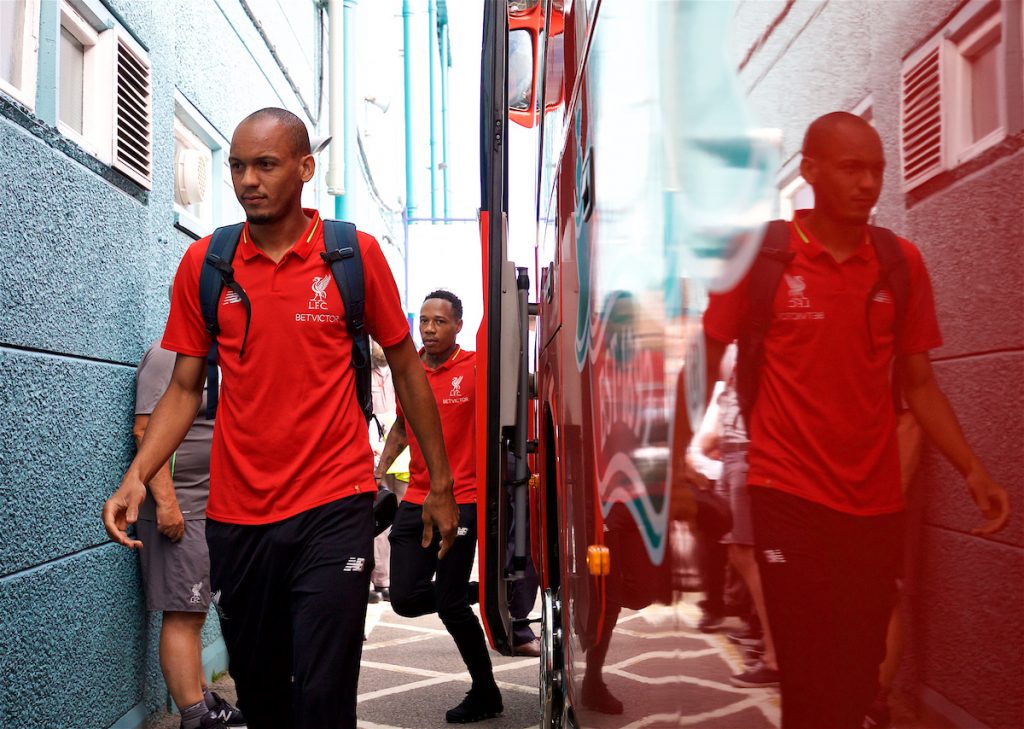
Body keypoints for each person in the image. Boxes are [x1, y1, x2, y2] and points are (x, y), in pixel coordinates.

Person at [103, 107, 459, 729]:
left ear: (304, 168)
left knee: (324, 695)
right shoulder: (207, 265)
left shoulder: (352, 255)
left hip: (333, 504)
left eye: (264, 165)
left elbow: (406, 368)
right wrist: (139, 474)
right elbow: (185, 388)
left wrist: (441, 485)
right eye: (238, 166)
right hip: (238, 518)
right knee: (264, 693)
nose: (247, 180)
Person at [702, 111, 1010, 729]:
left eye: (877, 169)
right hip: (787, 496)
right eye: (851, 168)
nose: (868, 183)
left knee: (860, 670)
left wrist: (973, 468)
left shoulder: (900, 263)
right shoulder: (762, 257)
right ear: (811, 171)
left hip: (874, 506)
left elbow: (919, 383)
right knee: (810, 672)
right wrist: (679, 465)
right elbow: (707, 352)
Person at [376, 290, 503, 724]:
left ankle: (486, 693)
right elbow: (401, 425)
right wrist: (379, 470)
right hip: (415, 499)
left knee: (449, 605)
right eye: (424, 321)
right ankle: (482, 594)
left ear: (458, 327)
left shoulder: (474, 369)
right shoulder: (407, 372)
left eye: (440, 322)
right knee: (406, 598)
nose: (429, 329)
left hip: (461, 500)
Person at [127, 341, 245, 729]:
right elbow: (146, 431)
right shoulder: (166, 355)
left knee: (193, 610)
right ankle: (195, 716)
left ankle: (200, 696)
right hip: (180, 507)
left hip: (205, 507)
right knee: (183, 613)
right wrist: (166, 503)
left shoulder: (211, 356)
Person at [368, 340, 399, 603]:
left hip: (400, 455)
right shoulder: (363, 368)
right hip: (371, 451)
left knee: (397, 514)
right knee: (375, 516)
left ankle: (389, 577)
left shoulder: (399, 369)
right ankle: (378, 579)